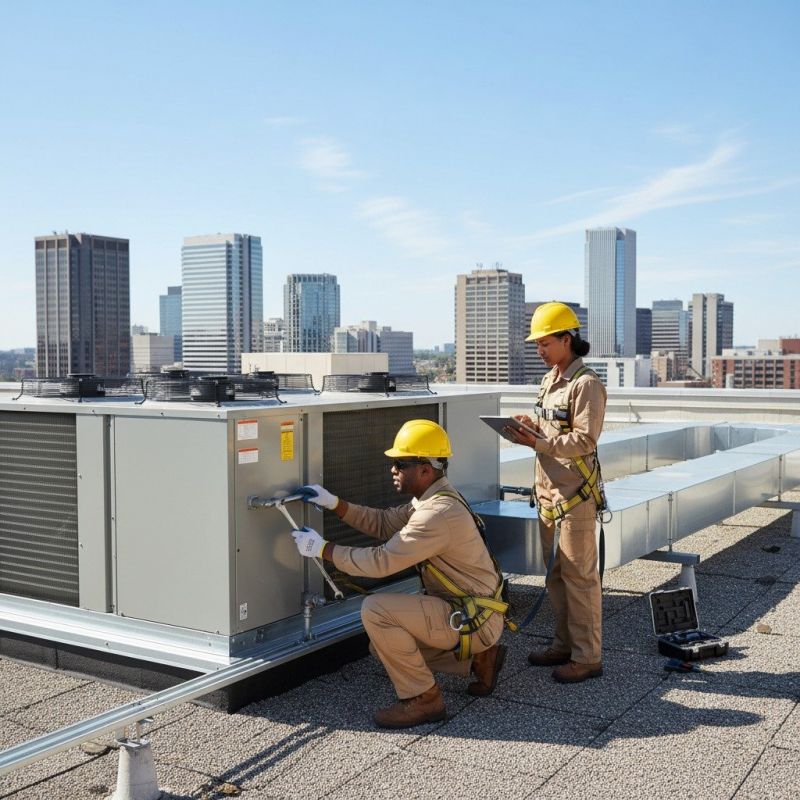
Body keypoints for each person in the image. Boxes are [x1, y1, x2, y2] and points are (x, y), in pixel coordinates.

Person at [291, 419, 510, 728]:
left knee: (377, 611)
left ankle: (425, 700)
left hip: (473, 617)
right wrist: (334, 504)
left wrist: (323, 549)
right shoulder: (432, 499)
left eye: (400, 463)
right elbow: (382, 524)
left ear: (425, 468)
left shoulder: (436, 513)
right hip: (474, 613)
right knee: (380, 647)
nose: (392, 469)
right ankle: (479, 658)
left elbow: (382, 562)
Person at [506, 301, 607, 684]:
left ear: (568, 339)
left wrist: (539, 443)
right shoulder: (551, 379)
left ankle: (588, 657)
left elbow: (583, 440)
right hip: (550, 494)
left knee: (580, 579)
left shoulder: (586, 385)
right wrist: (529, 426)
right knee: (556, 577)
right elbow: (553, 430)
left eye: (546, 343)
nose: (540, 350)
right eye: (538, 344)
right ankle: (564, 644)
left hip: (574, 496)